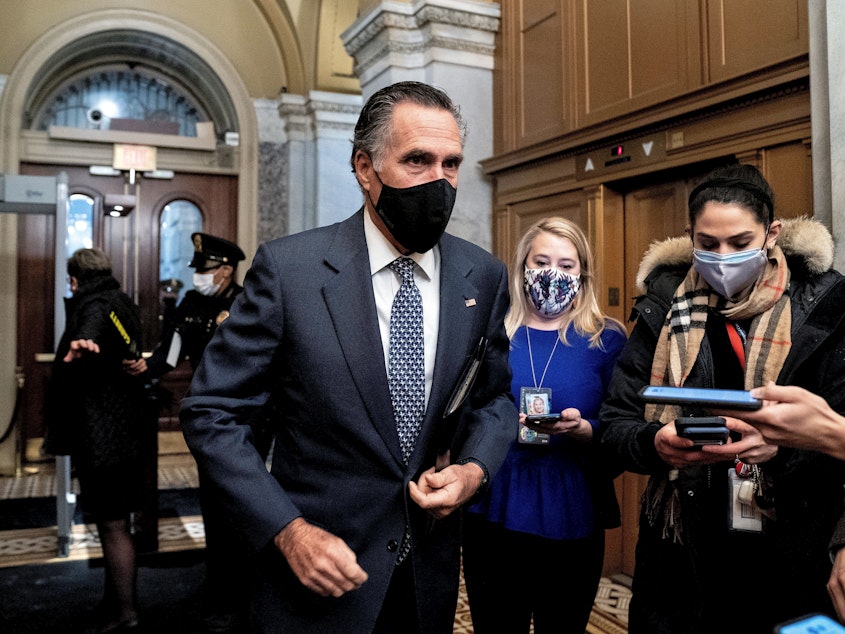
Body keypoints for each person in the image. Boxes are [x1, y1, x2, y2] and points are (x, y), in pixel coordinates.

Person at [179, 80, 516, 633]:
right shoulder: (291, 272)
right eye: (417, 160)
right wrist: (287, 529)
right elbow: (211, 413)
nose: (439, 181)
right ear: (365, 168)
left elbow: (493, 398)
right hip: (314, 575)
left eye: (451, 163)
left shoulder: (481, 274)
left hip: (425, 577)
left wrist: (475, 469)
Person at [599, 163, 845, 633]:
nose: (723, 258)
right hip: (682, 547)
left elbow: (840, 434)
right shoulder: (662, 306)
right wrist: (655, 443)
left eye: (740, 243)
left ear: (771, 233)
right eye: (707, 245)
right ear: (690, 235)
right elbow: (615, 424)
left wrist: (782, 445)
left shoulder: (825, 306)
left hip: (790, 545)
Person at [461, 217, 627, 633]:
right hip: (496, 501)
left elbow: (625, 426)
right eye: (543, 260)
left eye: (568, 265)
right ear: (522, 267)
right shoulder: (492, 332)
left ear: (582, 274)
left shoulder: (605, 339)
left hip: (572, 502)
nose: (554, 273)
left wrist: (586, 430)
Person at [125, 232, 250, 633]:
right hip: (208, 415)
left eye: (207, 270)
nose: (199, 276)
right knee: (213, 504)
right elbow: (171, 351)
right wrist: (144, 368)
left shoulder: (248, 303)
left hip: (248, 418)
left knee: (241, 507)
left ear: (227, 271)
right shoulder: (192, 302)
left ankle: (240, 595)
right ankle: (218, 587)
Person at [43, 247, 147, 632]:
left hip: (102, 436)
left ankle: (124, 612)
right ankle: (117, 602)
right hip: (123, 430)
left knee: (112, 525)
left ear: (75, 279)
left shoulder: (94, 304)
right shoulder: (122, 301)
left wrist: (82, 342)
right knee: (117, 523)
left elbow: (90, 329)